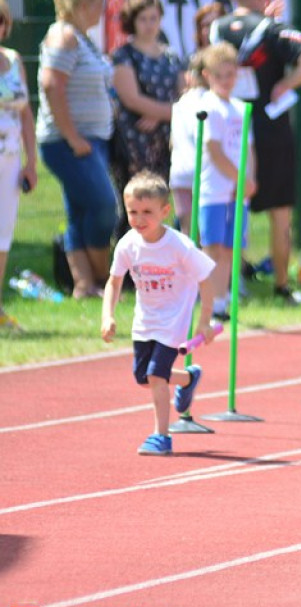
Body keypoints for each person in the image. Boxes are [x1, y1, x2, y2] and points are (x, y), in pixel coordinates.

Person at [211, 0, 301, 306]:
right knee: (280, 214)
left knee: (230, 204)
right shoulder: (272, 29)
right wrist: (286, 83)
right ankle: (282, 285)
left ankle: (231, 282)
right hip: (269, 127)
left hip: (229, 126)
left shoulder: (217, 29)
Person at [101, 171, 217, 456]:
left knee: (155, 377)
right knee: (143, 376)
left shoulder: (179, 246)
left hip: (173, 320)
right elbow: (114, 281)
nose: (139, 219)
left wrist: (204, 321)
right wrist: (108, 315)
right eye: (133, 212)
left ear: (165, 211)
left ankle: (161, 436)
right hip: (145, 320)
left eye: (147, 212)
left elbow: (205, 279)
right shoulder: (128, 244)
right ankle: (188, 379)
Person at [37, 0, 119, 300]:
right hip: (69, 142)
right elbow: (50, 84)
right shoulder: (64, 36)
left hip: (89, 139)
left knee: (81, 211)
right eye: (98, 3)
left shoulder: (81, 38)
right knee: (103, 206)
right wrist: (72, 136)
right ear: (83, 5)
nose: (102, 10)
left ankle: (84, 285)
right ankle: (103, 278)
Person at [110, 0, 185, 220]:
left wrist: (161, 116)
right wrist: (168, 113)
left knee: (160, 199)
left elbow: (184, 94)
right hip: (135, 142)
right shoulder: (124, 55)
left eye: (154, 18)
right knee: (136, 201)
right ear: (132, 21)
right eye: (143, 18)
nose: (149, 24)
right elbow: (131, 98)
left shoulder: (171, 55)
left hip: (167, 140)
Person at [198, 42, 256, 322]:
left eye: (231, 74)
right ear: (207, 75)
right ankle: (209, 303)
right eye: (220, 75)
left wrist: (249, 179)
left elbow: (249, 147)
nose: (226, 81)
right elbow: (214, 150)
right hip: (215, 190)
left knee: (231, 249)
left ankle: (221, 300)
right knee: (213, 248)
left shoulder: (241, 109)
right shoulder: (209, 107)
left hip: (238, 191)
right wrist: (238, 178)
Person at [0, 0, 37, 332]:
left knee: (3, 236)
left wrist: (31, 162)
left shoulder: (13, 59)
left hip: (10, 161)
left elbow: (25, 113)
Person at [169, 55, 207, 235]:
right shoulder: (211, 102)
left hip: (180, 173)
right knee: (209, 236)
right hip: (204, 174)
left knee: (188, 234)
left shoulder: (180, 103)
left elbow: (172, 141)